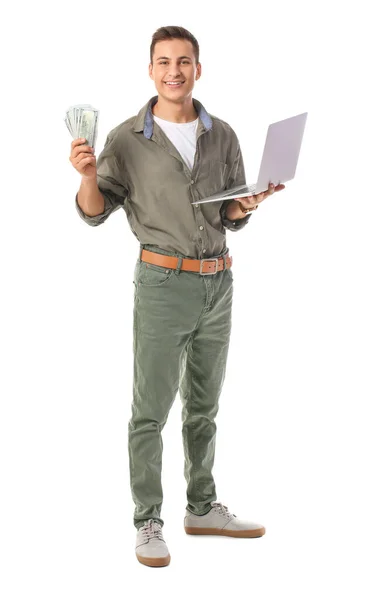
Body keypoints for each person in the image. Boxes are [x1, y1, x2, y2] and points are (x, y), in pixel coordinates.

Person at [69, 25, 285, 568]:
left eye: (184, 61)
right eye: (163, 61)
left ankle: (202, 507)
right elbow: (94, 213)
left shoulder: (223, 135)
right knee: (150, 411)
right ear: (150, 70)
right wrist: (88, 174)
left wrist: (251, 202)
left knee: (204, 406)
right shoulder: (125, 139)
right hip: (162, 286)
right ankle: (147, 521)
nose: (174, 71)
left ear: (197, 68)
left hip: (219, 282)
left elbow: (227, 214)